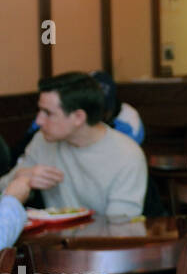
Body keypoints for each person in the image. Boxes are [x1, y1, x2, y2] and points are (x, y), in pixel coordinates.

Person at [0, 72, 148, 219]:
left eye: (48, 113)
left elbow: (120, 226)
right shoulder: (42, 140)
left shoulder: (127, 155)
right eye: (39, 110)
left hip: (101, 241)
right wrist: (19, 176)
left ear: (78, 117)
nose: (38, 120)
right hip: (54, 239)